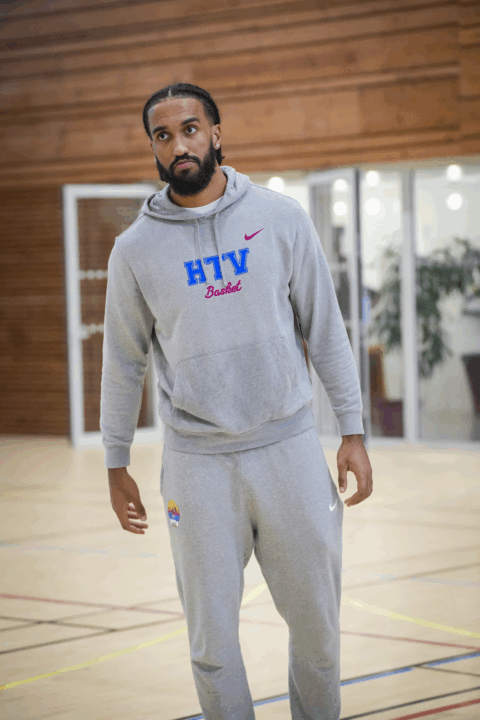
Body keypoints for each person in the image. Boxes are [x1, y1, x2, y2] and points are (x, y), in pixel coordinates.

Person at [101, 82, 373, 720]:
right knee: (212, 644)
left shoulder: (280, 218)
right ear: (153, 148)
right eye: (163, 136)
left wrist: (353, 430)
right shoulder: (134, 250)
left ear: (216, 135)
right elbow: (123, 360)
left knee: (318, 631)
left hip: (288, 450)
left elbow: (326, 328)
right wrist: (116, 460)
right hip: (196, 466)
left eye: (190, 129)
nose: (179, 146)